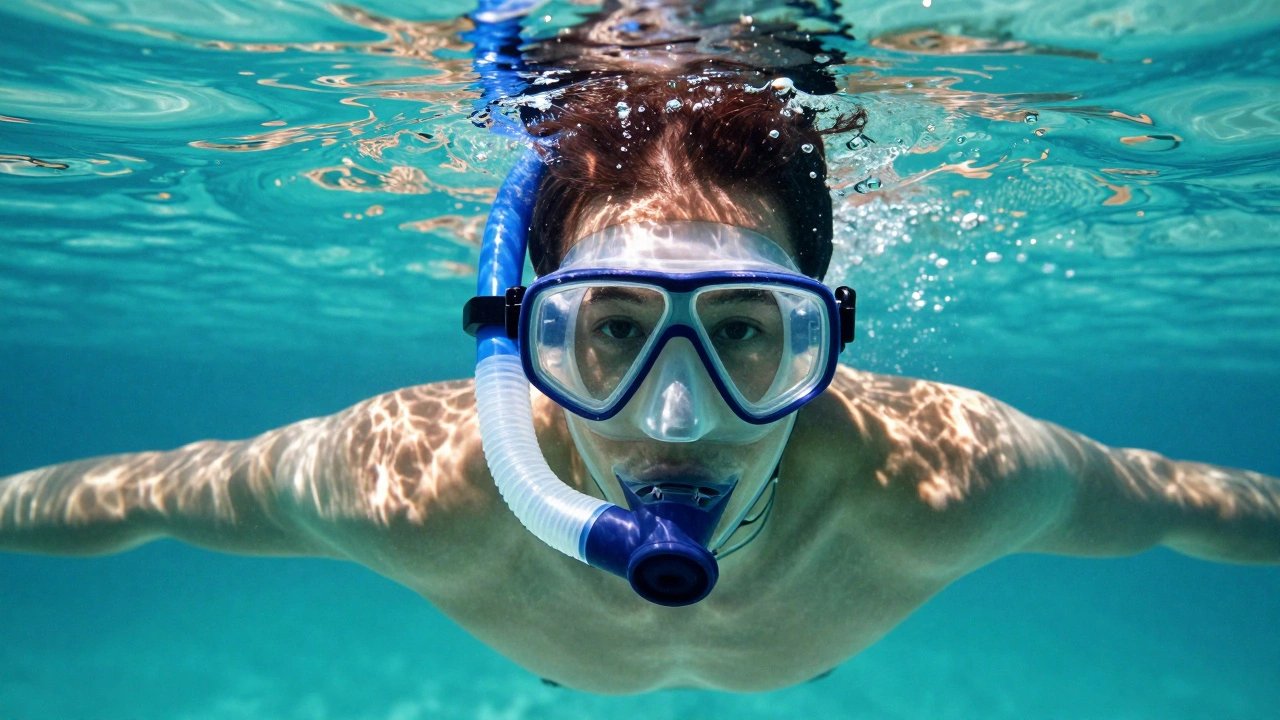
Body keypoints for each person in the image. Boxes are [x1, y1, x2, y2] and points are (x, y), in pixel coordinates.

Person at [2, 68, 1278, 697]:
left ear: (822, 340)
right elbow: (148, 495)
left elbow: (1187, 503)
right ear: (523, 344)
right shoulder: (408, 484)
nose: (680, 418)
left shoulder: (946, 478)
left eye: (743, 330)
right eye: (610, 330)